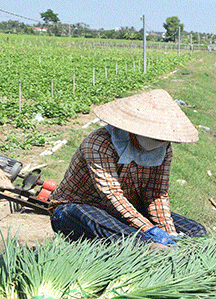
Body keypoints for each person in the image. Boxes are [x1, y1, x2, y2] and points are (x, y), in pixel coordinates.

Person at [48, 89, 207, 249]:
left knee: (196, 232)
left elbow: (156, 193)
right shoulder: (99, 144)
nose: (160, 143)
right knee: (136, 239)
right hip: (79, 210)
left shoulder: (163, 149)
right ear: (134, 129)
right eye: (156, 138)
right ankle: (149, 248)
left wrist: (169, 232)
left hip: (130, 211)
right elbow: (112, 196)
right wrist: (149, 229)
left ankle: (164, 246)